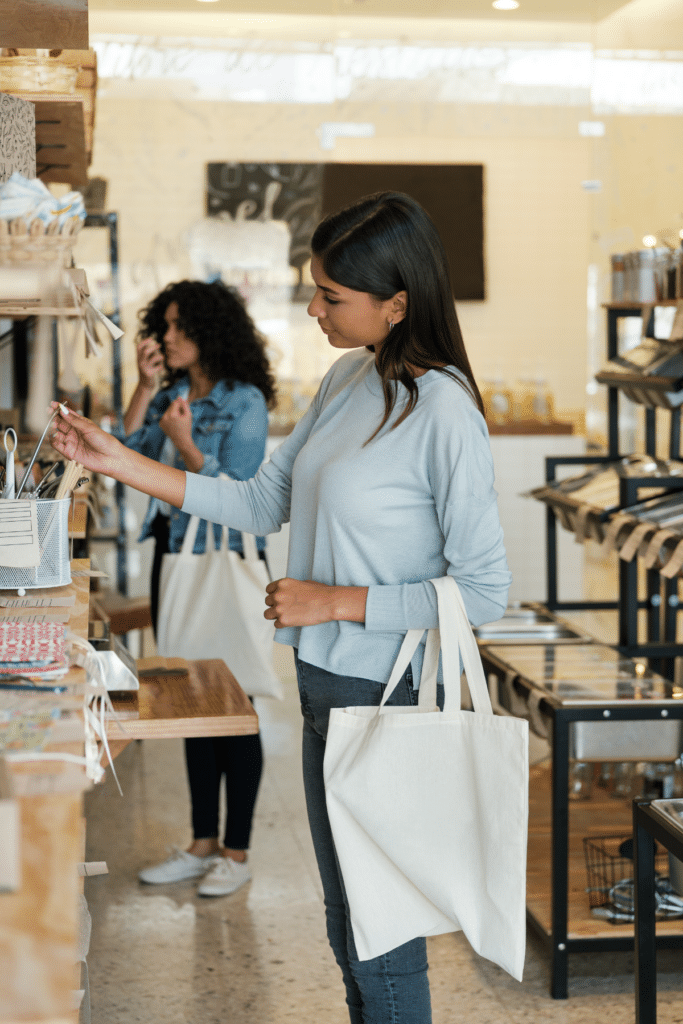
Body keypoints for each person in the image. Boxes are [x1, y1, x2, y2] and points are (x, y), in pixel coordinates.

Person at [53, 192, 511, 1024]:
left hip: (385, 698)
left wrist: (332, 599)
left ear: (396, 302)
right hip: (324, 689)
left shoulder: (443, 409)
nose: (312, 307)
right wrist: (115, 458)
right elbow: (262, 499)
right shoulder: (347, 380)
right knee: (346, 923)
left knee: (381, 933)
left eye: (331, 295)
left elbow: (484, 591)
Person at [121, 279, 277, 898]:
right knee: (190, 704)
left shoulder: (246, 402)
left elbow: (241, 497)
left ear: (213, 332)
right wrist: (142, 386)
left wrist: (186, 447)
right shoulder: (174, 391)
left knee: (236, 709)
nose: (168, 336)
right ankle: (200, 844)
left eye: (181, 327)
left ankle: (235, 852)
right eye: (165, 325)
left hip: (223, 563)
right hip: (174, 559)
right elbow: (128, 456)